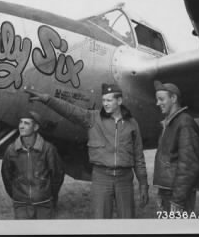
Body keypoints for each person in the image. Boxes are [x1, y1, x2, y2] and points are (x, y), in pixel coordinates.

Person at [26, 84, 148, 219]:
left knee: (126, 220)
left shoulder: (132, 124)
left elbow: (138, 156)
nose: (105, 104)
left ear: (119, 101)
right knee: (100, 220)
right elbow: (70, 110)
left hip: (124, 179)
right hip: (101, 178)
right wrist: (48, 99)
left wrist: (143, 183)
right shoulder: (92, 118)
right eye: (104, 100)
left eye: (109, 100)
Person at [1, 111, 65, 219]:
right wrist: (16, 195)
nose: (21, 126)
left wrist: (48, 195)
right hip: (21, 205)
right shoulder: (11, 150)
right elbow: (6, 175)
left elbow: (57, 175)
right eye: (20, 122)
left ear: (35, 127)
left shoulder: (48, 149)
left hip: (44, 204)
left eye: (26, 123)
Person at [153, 81, 199, 214]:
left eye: (161, 99)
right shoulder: (171, 123)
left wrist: (178, 200)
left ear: (173, 98)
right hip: (169, 192)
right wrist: (161, 192)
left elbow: (189, 165)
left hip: (178, 195)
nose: (157, 103)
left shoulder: (184, 123)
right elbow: (167, 159)